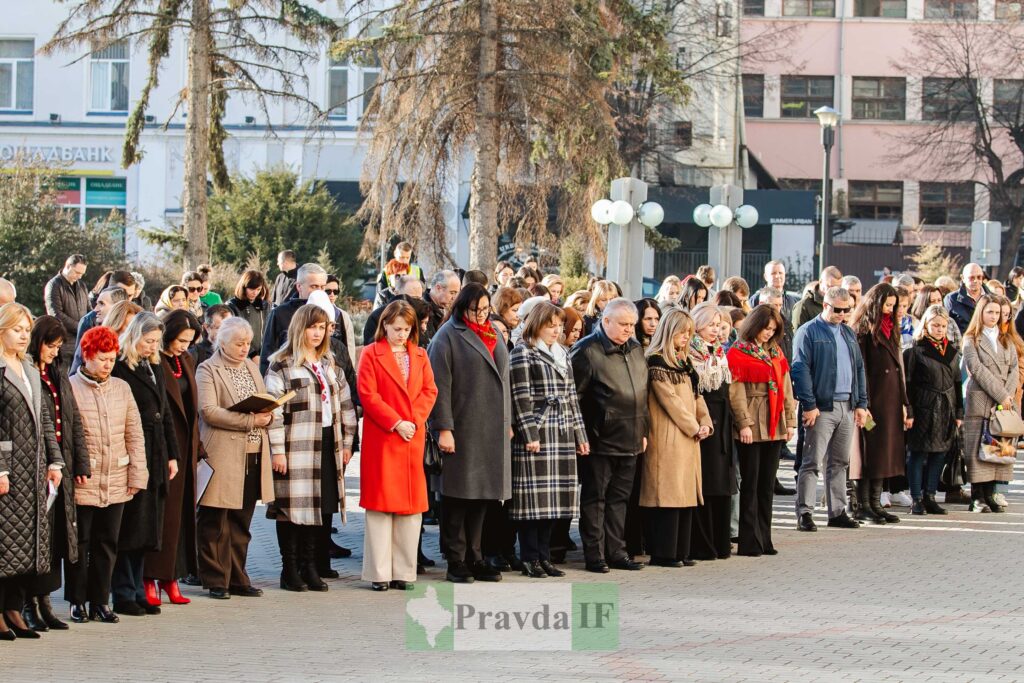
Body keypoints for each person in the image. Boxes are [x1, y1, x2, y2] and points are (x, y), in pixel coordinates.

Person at [265, 304, 357, 592]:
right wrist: (277, 450)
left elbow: (346, 406)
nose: (317, 333)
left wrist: (348, 444)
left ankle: (310, 566)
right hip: (297, 445)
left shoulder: (329, 363)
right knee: (291, 509)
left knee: (319, 507)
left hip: (328, 441)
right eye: (312, 327)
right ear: (299, 328)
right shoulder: (282, 364)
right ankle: (289, 569)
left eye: (322, 327)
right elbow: (273, 411)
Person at [428, 284, 512, 583]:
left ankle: (476, 557)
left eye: (485, 309)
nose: (480, 315)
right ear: (462, 308)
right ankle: (456, 559)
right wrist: (444, 428)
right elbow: (440, 387)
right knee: (457, 499)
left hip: (492, 430)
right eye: (474, 310)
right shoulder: (446, 337)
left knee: (482, 498)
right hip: (463, 428)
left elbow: (505, 380)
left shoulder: (493, 334)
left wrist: (509, 422)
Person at [68, 326, 147, 625]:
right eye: (102, 358)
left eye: (112, 359)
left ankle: (101, 600)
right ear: (87, 356)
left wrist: (137, 475)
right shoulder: (72, 387)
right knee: (82, 542)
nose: (107, 365)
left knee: (108, 542)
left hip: (116, 478)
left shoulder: (122, 388)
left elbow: (134, 433)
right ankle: (77, 601)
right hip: (84, 481)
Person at [358, 301, 439, 591]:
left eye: (406, 329)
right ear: (385, 326)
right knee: (380, 507)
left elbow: (430, 390)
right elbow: (368, 394)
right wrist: (396, 422)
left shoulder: (419, 354)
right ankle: (379, 573)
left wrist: (413, 420)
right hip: (384, 437)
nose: (401, 334)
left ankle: (403, 571)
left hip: (410, 436)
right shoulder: (371, 353)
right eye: (396, 329)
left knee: (410, 508)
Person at [195, 317, 275, 599]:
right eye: (238, 344)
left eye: (247, 343)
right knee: (215, 520)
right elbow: (208, 411)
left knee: (241, 521)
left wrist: (269, 413)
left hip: (253, 453)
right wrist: (250, 421)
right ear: (222, 342)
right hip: (223, 453)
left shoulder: (252, 367)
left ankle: (238, 576)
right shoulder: (207, 369)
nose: (244, 349)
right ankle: (216, 578)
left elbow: (263, 398)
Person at [508, 302, 588, 578]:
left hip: (562, 432)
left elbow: (572, 398)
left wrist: (581, 435)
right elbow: (521, 398)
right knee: (533, 502)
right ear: (536, 325)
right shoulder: (523, 353)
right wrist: (530, 434)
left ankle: (545, 555)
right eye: (550, 325)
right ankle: (529, 556)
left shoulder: (563, 353)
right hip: (538, 432)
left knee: (553, 502)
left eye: (558, 326)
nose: (556, 330)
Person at [20, 316, 89, 633]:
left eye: (59, 346)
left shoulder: (58, 372)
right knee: (38, 539)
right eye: (51, 345)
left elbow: (72, 419)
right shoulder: (26, 371)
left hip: (62, 465)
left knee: (58, 537)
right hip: (38, 466)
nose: (54, 351)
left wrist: (82, 463)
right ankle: (29, 604)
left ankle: (45, 603)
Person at [0, 305, 64, 640]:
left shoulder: (28, 367)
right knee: (3, 544)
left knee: (25, 544)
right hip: (9, 470)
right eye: (16, 329)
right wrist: (1, 469)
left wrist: (55, 463)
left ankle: (15, 606)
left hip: (34, 468)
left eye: (27, 329)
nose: (24, 335)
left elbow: (46, 422)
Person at [571, 298, 649, 573]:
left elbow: (642, 394)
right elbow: (575, 398)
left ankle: (616, 551)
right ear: (606, 321)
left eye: (632, 325)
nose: (629, 329)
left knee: (619, 499)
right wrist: (583, 435)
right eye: (624, 324)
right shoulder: (586, 351)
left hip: (631, 436)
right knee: (596, 499)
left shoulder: (636, 349)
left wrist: (643, 429)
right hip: (599, 439)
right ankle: (595, 555)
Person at [110, 312, 179, 617]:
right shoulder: (121, 366)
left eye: (156, 341)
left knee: (148, 526)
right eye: (148, 341)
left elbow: (164, 413)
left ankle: (138, 587)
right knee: (131, 526)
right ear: (135, 336)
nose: (153, 346)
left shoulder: (154, 366)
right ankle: (124, 591)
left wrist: (172, 454)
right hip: (134, 451)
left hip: (156, 451)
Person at [791, 287, 869, 531]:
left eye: (847, 310)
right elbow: (800, 369)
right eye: (837, 310)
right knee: (812, 461)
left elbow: (858, 369)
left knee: (840, 462)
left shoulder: (848, 332)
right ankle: (805, 512)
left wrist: (861, 403)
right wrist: (809, 404)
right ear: (825, 305)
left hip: (847, 405)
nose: (842, 314)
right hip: (821, 407)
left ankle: (837, 511)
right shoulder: (808, 332)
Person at [639, 308, 710, 568]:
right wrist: (693, 426)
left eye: (689, 333)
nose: (686, 337)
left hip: (688, 436)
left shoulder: (684, 361)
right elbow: (669, 401)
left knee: (685, 494)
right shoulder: (656, 361)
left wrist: (705, 423)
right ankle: (664, 552)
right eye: (682, 332)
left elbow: (696, 395)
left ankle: (681, 550)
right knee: (668, 494)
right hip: (668, 436)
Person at [726, 305, 795, 556]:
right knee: (751, 483)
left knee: (767, 485)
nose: (769, 333)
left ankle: (765, 538)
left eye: (773, 330)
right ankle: (749, 540)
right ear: (754, 326)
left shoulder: (776, 352)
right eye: (766, 329)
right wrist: (743, 423)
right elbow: (736, 392)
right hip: (753, 422)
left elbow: (786, 389)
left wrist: (790, 422)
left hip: (775, 422)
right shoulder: (738, 352)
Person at [147, 310, 204, 605]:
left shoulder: (187, 361)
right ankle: (150, 577)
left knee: (182, 518)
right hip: (165, 449)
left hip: (187, 448)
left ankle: (172, 577)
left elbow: (192, 405)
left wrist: (198, 445)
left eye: (190, 341)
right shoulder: (154, 361)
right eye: (181, 340)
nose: (185, 346)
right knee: (162, 517)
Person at [850, 284, 910, 524]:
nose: (891, 310)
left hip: (890, 401)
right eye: (887, 305)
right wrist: (863, 403)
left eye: (893, 306)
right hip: (872, 401)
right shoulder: (863, 331)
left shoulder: (890, 329)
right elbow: (860, 368)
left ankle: (875, 503)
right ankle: (863, 504)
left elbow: (899, 369)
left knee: (883, 454)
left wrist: (905, 403)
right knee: (867, 454)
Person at [687, 303, 736, 561]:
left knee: (720, 482)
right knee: (705, 481)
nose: (716, 330)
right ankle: (702, 543)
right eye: (711, 325)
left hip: (722, 420)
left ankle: (720, 541)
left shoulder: (719, 352)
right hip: (703, 419)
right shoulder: (690, 353)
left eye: (719, 325)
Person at [961, 294, 1018, 513]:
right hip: (982, 400)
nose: (994, 317)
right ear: (981, 313)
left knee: (997, 450)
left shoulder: (1006, 339)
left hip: (1004, 403)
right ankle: (977, 496)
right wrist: (1001, 394)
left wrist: (1008, 396)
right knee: (978, 452)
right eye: (990, 312)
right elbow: (977, 370)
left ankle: (991, 493)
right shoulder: (971, 339)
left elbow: (1014, 368)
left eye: (997, 313)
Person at [903, 305, 961, 516]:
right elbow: (907, 383)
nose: (939, 329)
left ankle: (930, 496)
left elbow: (957, 382)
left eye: (943, 326)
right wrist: (908, 410)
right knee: (918, 453)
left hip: (947, 407)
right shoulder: (915, 351)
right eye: (935, 325)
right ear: (926, 325)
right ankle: (916, 498)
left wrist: (959, 413)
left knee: (940, 453)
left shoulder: (952, 352)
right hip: (923, 406)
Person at [260, 263, 328, 375]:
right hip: (290, 380)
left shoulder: (332, 313)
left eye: (322, 287)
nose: (319, 291)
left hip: (325, 379)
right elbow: (268, 353)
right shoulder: (280, 314)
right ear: (299, 286)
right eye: (314, 286)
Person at [44, 254, 90, 366]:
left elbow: (89, 309)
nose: (79, 276)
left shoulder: (82, 286)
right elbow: (56, 314)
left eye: (82, 274)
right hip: (64, 343)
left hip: (81, 343)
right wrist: (81, 326)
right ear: (68, 266)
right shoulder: (54, 285)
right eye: (77, 272)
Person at [362, 275, 425, 346]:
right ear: (396, 293)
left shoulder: (423, 315)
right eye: (411, 298)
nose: (416, 303)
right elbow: (370, 350)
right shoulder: (377, 317)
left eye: (419, 299)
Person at [226, 270, 270, 358]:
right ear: (244, 287)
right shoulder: (232, 305)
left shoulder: (264, 305)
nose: (255, 293)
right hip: (241, 355)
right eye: (252, 289)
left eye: (258, 289)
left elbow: (268, 330)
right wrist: (252, 354)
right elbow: (234, 334)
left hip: (263, 354)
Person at [945, 263, 989, 334]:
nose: (975, 280)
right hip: (962, 342)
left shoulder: (992, 298)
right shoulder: (951, 299)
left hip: (987, 343)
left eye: (979, 277)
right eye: (971, 278)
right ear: (963, 278)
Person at [323, 275, 357, 367]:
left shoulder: (342, 315)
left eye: (336, 291)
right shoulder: (311, 313)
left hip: (340, 368)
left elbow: (349, 345)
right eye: (328, 291)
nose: (332, 295)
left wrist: (351, 369)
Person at [426, 270, 461, 335]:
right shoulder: (424, 310)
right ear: (438, 288)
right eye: (452, 293)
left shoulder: (446, 308)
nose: (454, 298)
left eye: (456, 294)